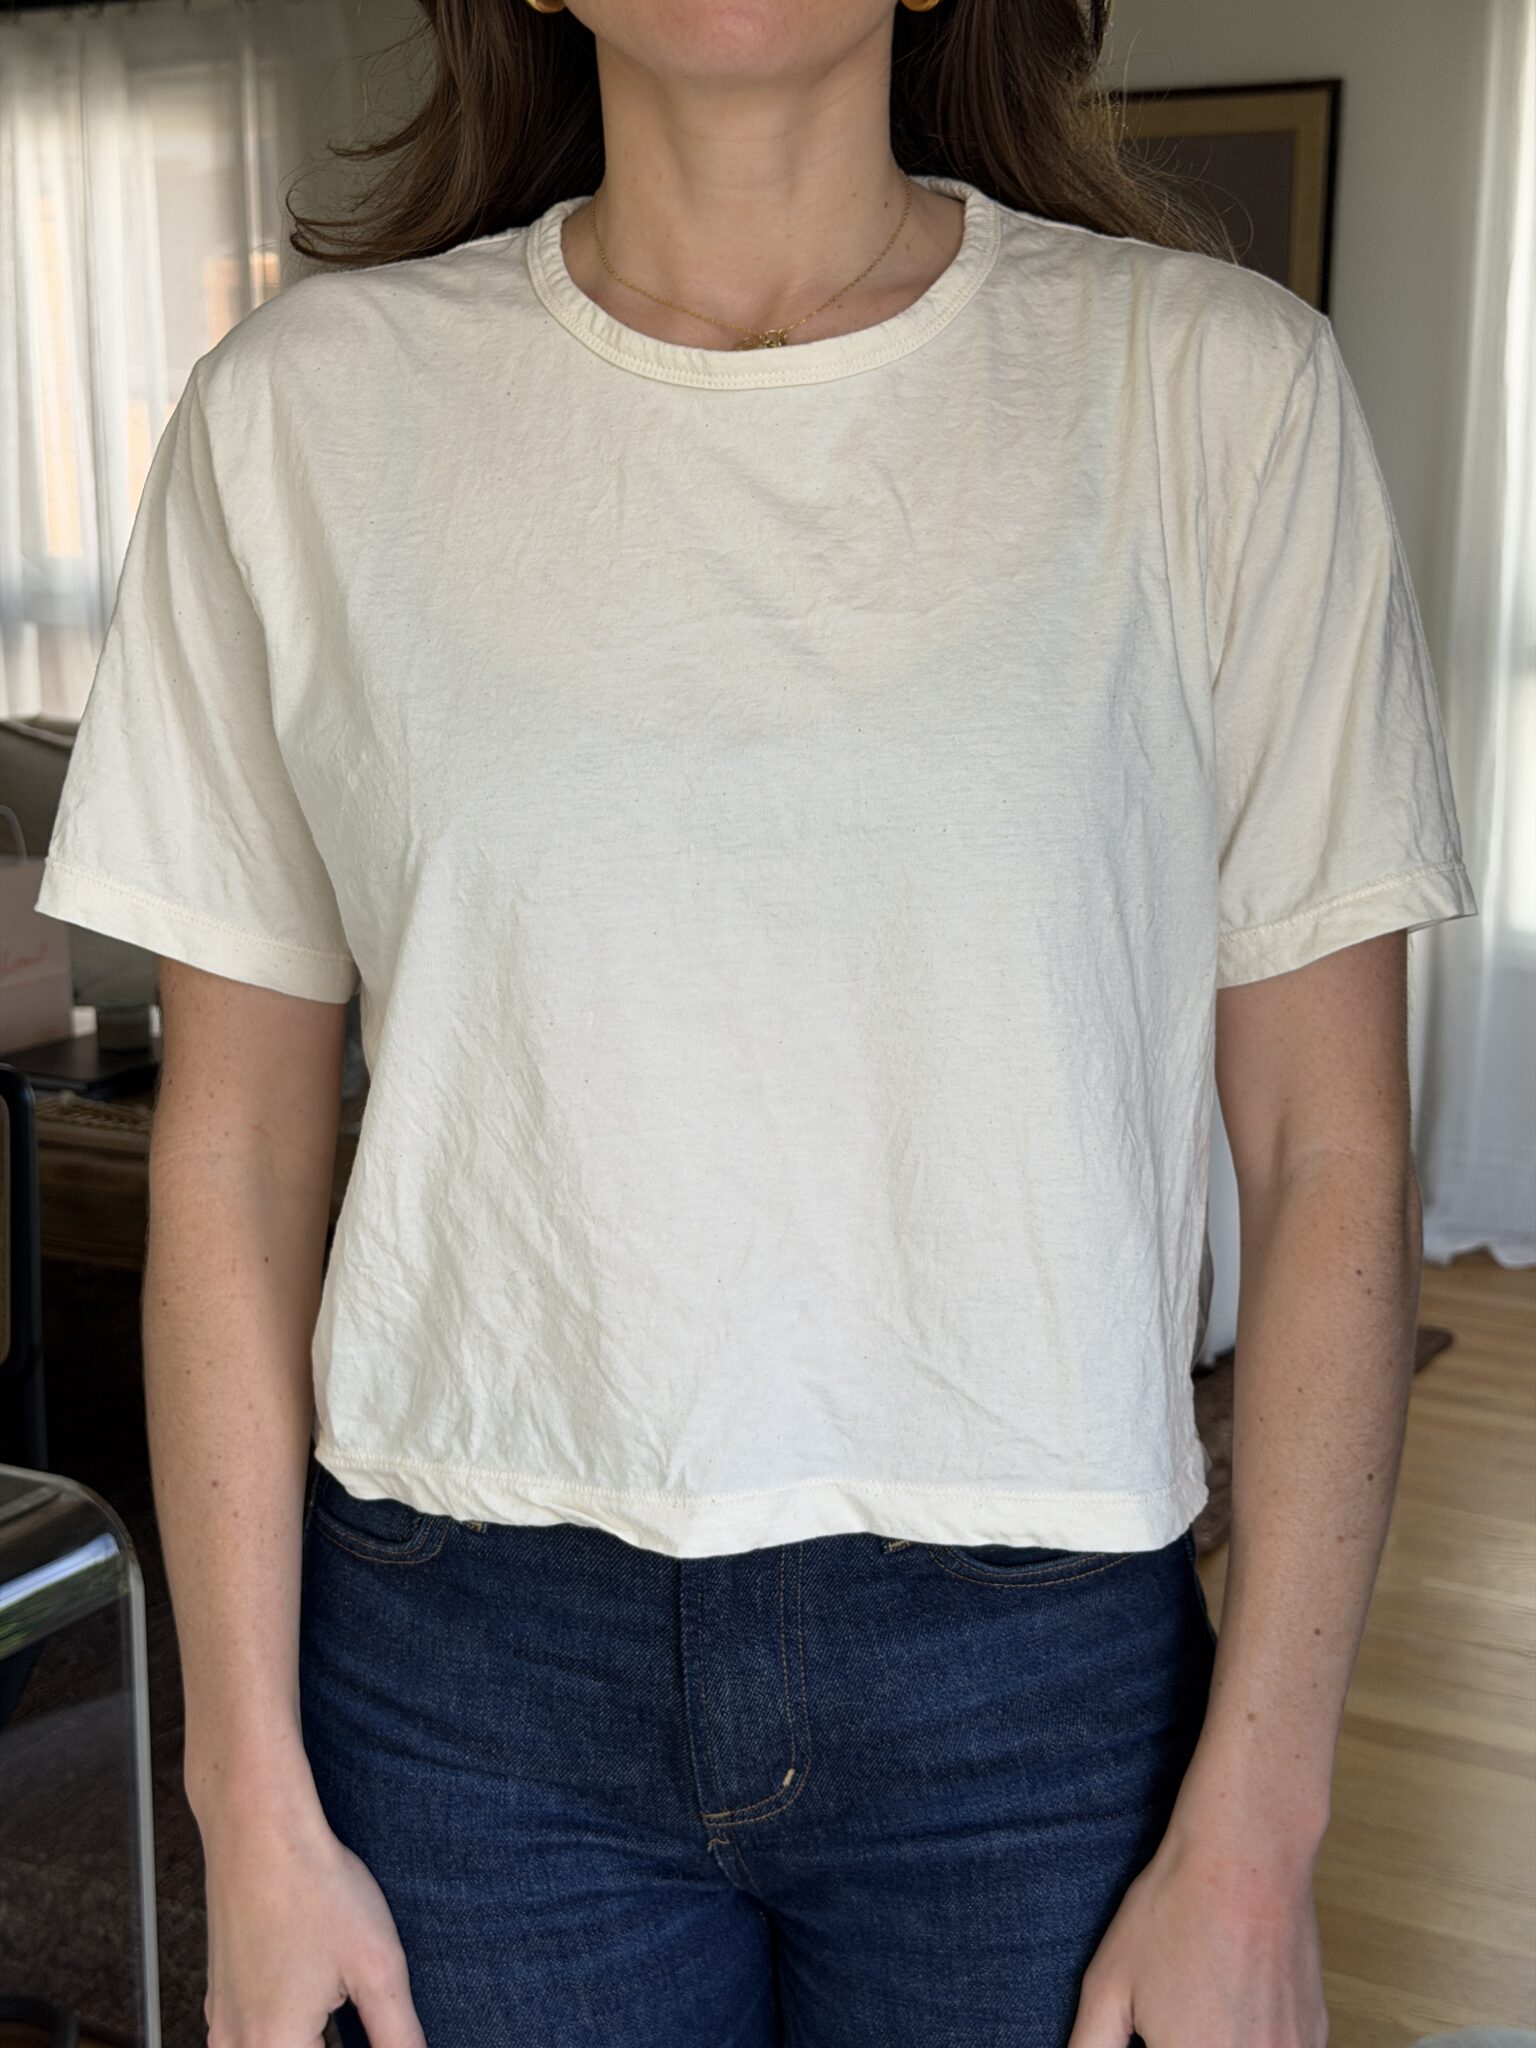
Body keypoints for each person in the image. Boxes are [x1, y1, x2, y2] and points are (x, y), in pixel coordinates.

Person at [35, 0, 1479, 2043]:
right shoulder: (305, 411)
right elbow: (242, 1144)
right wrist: (244, 1796)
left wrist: (1262, 1825)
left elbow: (1329, 1150)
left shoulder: (1214, 392)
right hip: (463, 1673)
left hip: (1035, 1668)